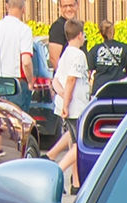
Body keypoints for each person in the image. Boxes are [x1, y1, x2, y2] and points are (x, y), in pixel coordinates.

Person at [52, 19, 90, 193]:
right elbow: (71, 80)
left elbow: (56, 81)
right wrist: (67, 103)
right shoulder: (78, 54)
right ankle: (57, 171)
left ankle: (76, 182)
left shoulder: (66, 53)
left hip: (68, 105)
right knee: (80, 145)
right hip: (77, 106)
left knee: (73, 141)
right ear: (80, 35)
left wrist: (62, 98)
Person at [0, 0, 34, 105]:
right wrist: (30, 82)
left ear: (6, 7)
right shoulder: (24, 30)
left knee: (0, 118)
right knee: (19, 119)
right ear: (23, 9)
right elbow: (26, 61)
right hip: (17, 83)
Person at [88, 19, 127, 97]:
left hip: (100, 90)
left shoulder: (95, 50)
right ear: (114, 32)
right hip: (120, 90)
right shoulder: (125, 48)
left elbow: (88, 73)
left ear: (101, 33)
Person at [47, 0, 77, 70]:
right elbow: (54, 58)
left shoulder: (77, 25)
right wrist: (62, 78)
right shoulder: (57, 27)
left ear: (77, 5)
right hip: (66, 78)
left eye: (71, 5)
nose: (68, 9)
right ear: (60, 8)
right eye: (65, 6)